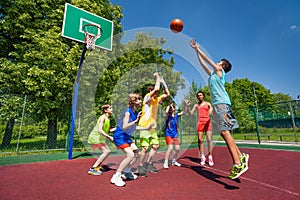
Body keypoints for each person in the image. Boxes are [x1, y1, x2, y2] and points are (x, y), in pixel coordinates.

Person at [190, 39, 249, 179]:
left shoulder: (220, 71)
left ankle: (237, 163)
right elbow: (202, 63)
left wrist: (198, 48)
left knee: (224, 131)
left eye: (218, 62)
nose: (216, 63)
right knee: (225, 133)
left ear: (222, 65)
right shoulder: (213, 75)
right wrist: (196, 51)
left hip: (222, 104)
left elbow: (207, 59)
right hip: (218, 105)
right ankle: (241, 156)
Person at [110, 93, 153, 187]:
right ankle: (116, 176)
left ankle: (127, 171)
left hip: (126, 137)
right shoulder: (127, 112)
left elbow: (134, 127)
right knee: (130, 154)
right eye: (138, 100)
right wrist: (135, 121)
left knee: (137, 153)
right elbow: (125, 126)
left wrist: (146, 128)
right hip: (119, 137)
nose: (141, 101)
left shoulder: (136, 113)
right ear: (133, 101)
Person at [137, 72, 170, 176]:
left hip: (152, 127)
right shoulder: (147, 98)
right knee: (145, 148)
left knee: (155, 146)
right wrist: (157, 78)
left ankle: (149, 163)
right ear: (150, 92)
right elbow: (156, 89)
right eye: (154, 91)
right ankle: (141, 166)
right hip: (144, 126)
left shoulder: (157, 99)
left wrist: (163, 82)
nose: (156, 92)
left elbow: (167, 94)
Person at [186, 91, 214, 166]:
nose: (199, 96)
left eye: (201, 95)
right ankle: (202, 156)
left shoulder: (207, 103)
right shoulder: (196, 105)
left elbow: (211, 109)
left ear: (203, 96)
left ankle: (210, 157)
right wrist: (188, 106)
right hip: (200, 123)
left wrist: (210, 111)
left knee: (209, 139)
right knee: (200, 140)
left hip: (207, 122)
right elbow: (191, 113)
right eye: (198, 95)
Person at [87, 104, 115, 175]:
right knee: (106, 151)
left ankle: (96, 166)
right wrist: (109, 137)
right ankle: (93, 169)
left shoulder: (108, 119)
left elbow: (108, 130)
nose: (112, 109)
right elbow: (100, 130)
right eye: (110, 108)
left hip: (100, 138)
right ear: (105, 110)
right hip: (95, 137)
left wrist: (118, 128)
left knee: (107, 151)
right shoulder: (102, 117)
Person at [163, 102, 185, 169]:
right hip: (168, 134)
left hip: (175, 134)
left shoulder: (176, 116)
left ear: (174, 109)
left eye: (172, 107)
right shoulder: (168, 116)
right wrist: (169, 105)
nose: (171, 108)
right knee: (170, 148)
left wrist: (186, 106)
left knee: (178, 149)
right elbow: (166, 112)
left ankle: (174, 161)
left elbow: (184, 112)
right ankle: (166, 162)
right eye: (170, 108)